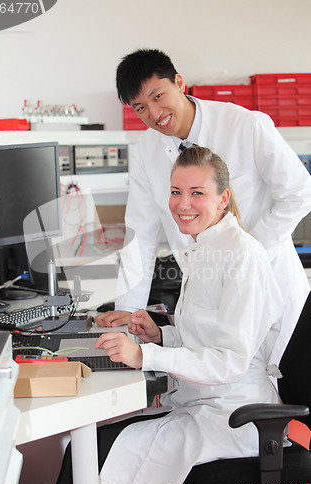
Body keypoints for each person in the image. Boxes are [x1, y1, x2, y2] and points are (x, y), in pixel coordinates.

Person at [51, 146, 284, 484]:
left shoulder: (241, 257)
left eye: (197, 193)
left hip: (233, 416)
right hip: (203, 402)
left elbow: (228, 361)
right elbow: (205, 334)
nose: (183, 203)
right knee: (89, 448)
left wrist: (147, 356)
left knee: (91, 454)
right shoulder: (206, 247)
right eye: (176, 192)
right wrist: (160, 334)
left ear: (223, 199)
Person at [95, 48, 311, 368]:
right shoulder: (145, 152)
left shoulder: (245, 125)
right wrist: (128, 321)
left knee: (273, 388)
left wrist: (243, 254)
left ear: (179, 83)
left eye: (158, 96)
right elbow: (140, 237)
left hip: (269, 285)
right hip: (205, 299)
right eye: (141, 107)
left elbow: (300, 193)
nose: (154, 114)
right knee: (210, 378)